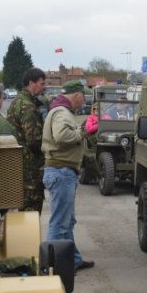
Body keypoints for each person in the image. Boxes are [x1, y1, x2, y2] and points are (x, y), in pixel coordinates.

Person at [41, 80, 94, 272]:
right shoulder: (62, 112)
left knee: (66, 221)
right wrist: (84, 131)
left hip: (61, 170)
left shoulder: (60, 111)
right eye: (83, 96)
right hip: (61, 171)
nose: (84, 100)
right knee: (59, 223)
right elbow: (62, 136)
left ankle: (73, 260)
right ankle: (51, 266)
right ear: (76, 95)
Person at [7, 68, 46, 213]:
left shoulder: (16, 102)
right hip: (30, 167)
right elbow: (34, 140)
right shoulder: (28, 106)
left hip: (20, 162)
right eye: (41, 83)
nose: (44, 87)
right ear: (31, 83)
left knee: (24, 208)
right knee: (31, 210)